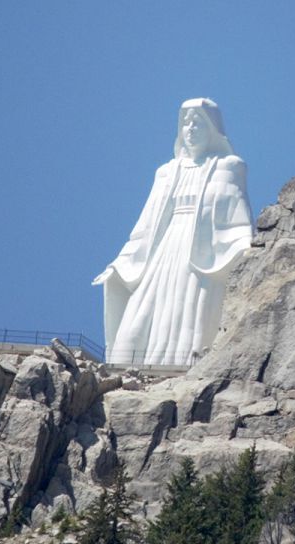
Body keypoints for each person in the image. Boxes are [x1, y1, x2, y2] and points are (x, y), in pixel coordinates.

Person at [93, 98, 253, 366]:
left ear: (213, 129)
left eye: (198, 123)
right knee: (137, 321)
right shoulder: (166, 172)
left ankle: (186, 366)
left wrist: (246, 247)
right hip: (164, 250)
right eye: (186, 123)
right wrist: (122, 262)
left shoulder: (230, 166)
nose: (190, 129)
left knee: (190, 311)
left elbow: (238, 215)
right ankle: (126, 366)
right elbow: (145, 226)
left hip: (201, 254)